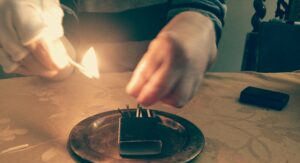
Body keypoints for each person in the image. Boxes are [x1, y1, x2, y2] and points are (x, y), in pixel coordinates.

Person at [0, 0, 226, 107]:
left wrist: (197, 23)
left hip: (180, 102)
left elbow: (202, 7)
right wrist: (44, 49)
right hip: (72, 104)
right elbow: (62, 31)